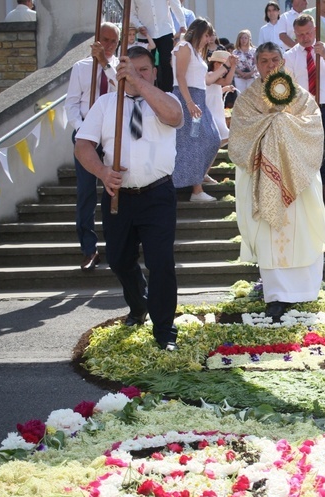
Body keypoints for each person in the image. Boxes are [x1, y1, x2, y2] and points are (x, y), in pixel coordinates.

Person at [75, 46, 183, 352]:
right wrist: (101, 170)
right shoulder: (106, 104)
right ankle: (139, 305)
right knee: (120, 259)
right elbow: (82, 145)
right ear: (119, 72)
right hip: (118, 196)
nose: (137, 75)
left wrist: (139, 82)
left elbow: (175, 117)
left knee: (161, 263)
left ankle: (164, 330)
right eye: (130, 69)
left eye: (144, 69)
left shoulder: (164, 101)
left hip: (158, 194)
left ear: (154, 72)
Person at [229, 42, 325, 321]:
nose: (270, 65)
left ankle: (305, 290)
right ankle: (276, 296)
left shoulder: (302, 97)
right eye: (263, 60)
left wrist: (281, 124)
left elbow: (313, 128)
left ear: (283, 63)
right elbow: (239, 136)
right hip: (263, 179)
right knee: (269, 235)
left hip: (298, 179)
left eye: (275, 60)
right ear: (256, 64)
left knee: (302, 230)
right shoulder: (247, 99)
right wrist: (275, 124)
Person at [66, 22, 120, 271]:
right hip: (87, 135)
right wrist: (81, 129)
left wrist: (106, 65)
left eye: (113, 41)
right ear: (96, 40)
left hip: (112, 135)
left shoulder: (119, 66)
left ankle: (118, 243)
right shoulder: (81, 68)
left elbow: (122, 90)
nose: (108, 46)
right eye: (104, 40)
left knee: (115, 190)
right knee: (86, 192)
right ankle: (89, 249)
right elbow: (71, 104)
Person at [284, 14, 325, 202]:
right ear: (295, 35)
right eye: (301, 34)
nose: (305, 37)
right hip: (304, 110)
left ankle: (319, 179)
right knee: (306, 153)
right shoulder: (290, 55)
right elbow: (288, 85)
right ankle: (314, 185)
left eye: (308, 32)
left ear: (315, 30)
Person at [171, 18, 222, 202]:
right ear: (199, 32)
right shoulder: (184, 46)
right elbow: (180, 77)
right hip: (188, 99)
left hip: (198, 99)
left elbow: (205, 80)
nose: (209, 39)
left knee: (213, 138)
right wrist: (190, 103)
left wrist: (226, 67)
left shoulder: (196, 52)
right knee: (194, 142)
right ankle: (197, 190)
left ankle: (199, 176)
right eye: (207, 35)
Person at [131, 0, 186, 92]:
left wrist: (182, 24)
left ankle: (168, 93)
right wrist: (139, 26)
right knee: (145, 65)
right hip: (145, 33)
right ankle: (146, 92)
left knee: (167, 64)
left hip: (165, 30)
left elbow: (175, 5)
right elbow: (131, 13)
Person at [206, 49, 237, 147]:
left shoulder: (215, 79)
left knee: (221, 139)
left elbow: (215, 93)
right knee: (226, 137)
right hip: (212, 113)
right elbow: (227, 81)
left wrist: (225, 89)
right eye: (224, 65)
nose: (226, 69)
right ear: (215, 64)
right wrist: (233, 66)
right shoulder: (210, 75)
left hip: (217, 112)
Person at [233, 29, 258, 94]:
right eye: (241, 38)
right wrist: (241, 73)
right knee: (240, 95)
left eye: (245, 38)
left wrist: (250, 73)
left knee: (251, 96)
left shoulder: (254, 51)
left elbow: (257, 64)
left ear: (249, 39)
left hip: (252, 77)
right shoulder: (235, 52)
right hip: (239, 77)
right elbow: (233, 65)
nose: (243, 40)